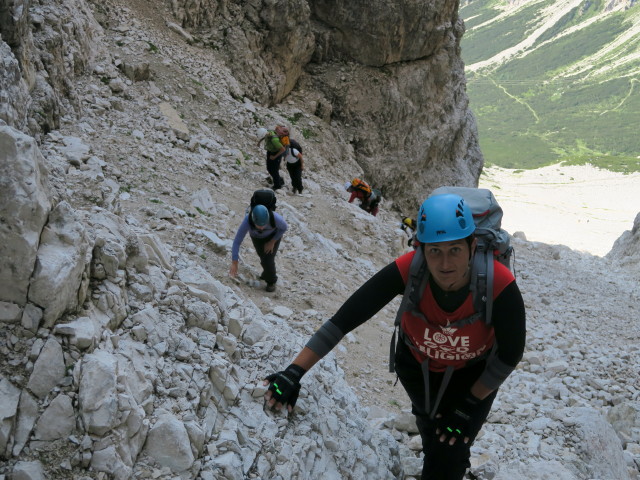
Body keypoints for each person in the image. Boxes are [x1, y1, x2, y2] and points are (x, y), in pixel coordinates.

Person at [263, 193, 526, 479]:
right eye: (434, 251)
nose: (445, 263)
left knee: (450, 446)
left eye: (455, 249)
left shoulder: (498, 282)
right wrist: (294, 371)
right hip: (417, 367)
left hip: (473, 377)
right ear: (420, 250)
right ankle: (441, 455)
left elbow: (510, 353)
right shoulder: (410, 270)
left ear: (472, 246)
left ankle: (449, 463)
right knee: (431, 429)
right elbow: (343, 320)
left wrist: (467, 406)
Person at [229, 203, 288, 292]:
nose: (261, 227)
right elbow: (237, 241)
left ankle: (271, 281)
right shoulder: (247, 221)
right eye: (258, 225)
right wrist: (234, 262)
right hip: (257, 239)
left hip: (272, 237)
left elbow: (284, 228)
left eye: (264, 224)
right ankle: (266, 274)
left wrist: (272, 241)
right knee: (263, 257)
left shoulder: (276, 218)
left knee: (268, 259)